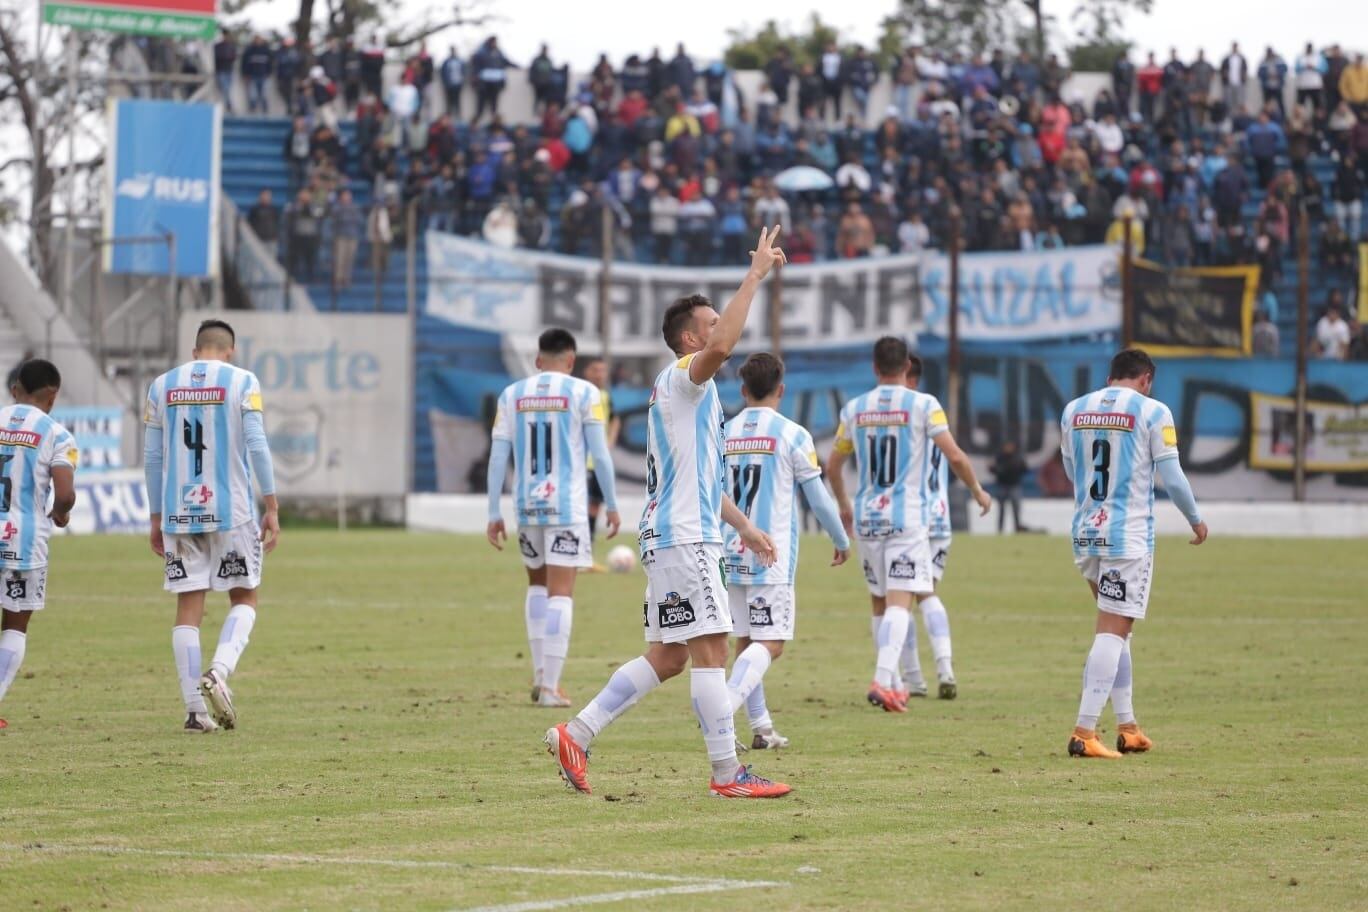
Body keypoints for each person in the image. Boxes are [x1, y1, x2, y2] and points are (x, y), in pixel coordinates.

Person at [544, 226, 790, 799]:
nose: (719, 331)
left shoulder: (688, 396)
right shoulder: (686, 377)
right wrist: (754, 276)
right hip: (685, 538)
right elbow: (725, 346)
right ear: (688, 340)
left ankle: (575, 732)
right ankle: (729, 774)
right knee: (712, 649)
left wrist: (745, 526)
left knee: (670, 656)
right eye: (708, 325)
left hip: (672, 531)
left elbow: (698, 480)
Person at [826, 336, 991, 713]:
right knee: (904, 599)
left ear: (874, 367)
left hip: (868, 515)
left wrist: (844, 505)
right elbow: (954, 455)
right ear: (905, 369)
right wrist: (978, 490)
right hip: (906, 518)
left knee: (879, 602)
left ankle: (898, 682)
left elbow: (833, 465)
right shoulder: (924, 405)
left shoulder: (855, 409)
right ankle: (884, 679)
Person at [1060, 348, 1207, 759]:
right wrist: (1195, 518)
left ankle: (1128, 727)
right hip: (1127, 536)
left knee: (1118, 627)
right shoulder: (1153, 410)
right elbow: (1173, 477)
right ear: (1146, 379)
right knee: (1112, 629)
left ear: (1111, 378)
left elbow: (1073, 471)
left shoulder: (1074, 409)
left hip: (1086, 531)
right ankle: (1084, 731)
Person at [143, 320, 280, 733]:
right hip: (232, 510)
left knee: (188, 607)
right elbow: (256, 444)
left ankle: (194, 712)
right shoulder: (243, 380)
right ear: (231, 351)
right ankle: (219, 672)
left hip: (178, 512)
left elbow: (152, 456)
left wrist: (154, 515)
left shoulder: (161, 385)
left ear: (195, 350)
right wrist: (271, 505)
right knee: (245, 597)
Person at [722, 352, 850, 750]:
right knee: (771, 643)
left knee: (746, 642)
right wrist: (841, 539)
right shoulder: (792, 433)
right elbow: (818, 497)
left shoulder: (724, 431)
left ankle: (761, 728)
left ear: (743, 390)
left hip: (732, 550)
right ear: (781, 389)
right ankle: (721, 710)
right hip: (769, 555)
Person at [486, 330, 619, 708]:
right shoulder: (584, 393)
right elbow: (600, 454)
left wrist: (494, 511)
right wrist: (611, 503)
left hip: (527, 506)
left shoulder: (511, 394)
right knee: (562, 591)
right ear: (572, 360)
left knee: (537, 587)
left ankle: (542, 676)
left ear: (537, 360)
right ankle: (549, 688)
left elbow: (499, 458)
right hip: (567, 506)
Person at [0, 360, 78, 730]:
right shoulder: (57, 434)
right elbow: (64, 493)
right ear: (52, 395)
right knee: (14, 627)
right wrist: (60, 513)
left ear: (16, 388)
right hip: (24, 542)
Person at [896, 356, 958, 701]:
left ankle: (915, 678)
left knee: (904, 595)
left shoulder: (903, 415)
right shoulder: (933, 413)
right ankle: (944, 668)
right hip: (940, 514)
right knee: (925, 592)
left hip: (911, 515)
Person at [579, 357, 621, 558]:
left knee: (595, 505)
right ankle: (578, 551)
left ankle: (587, 551)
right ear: (586, 372)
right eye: (595, 369)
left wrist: (610, 441)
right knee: (582, 505)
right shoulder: (579, 393)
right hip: (579, 461)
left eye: (603, 370)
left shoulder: (604, 396)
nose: (600, 374)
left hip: (596, 461)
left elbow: (614, 419)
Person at [990, 439, 1029, 533]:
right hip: (1002, 486)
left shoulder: (1018, 457)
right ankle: (1000, 530)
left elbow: (1024, 469)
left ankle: (1017, 528)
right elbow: (993, 469)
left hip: (1014, 485)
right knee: (1001, 510)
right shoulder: (999, 457)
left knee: (1016, 510)